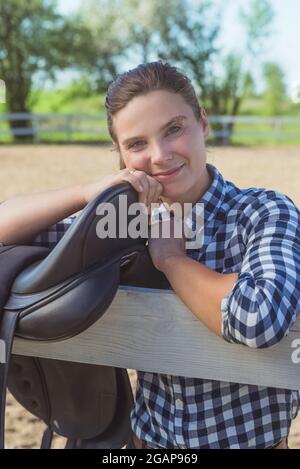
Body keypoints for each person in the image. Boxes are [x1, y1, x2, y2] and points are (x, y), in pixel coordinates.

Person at [0, 61, 299, 449]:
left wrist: (171, 259)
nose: (159, 156)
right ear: (122, 154)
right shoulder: (124, 219)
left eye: (174, 129)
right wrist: (90, 193)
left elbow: (257, 318)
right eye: (137, 144)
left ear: (202, 124)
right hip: (148, 443)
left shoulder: (263, 211)